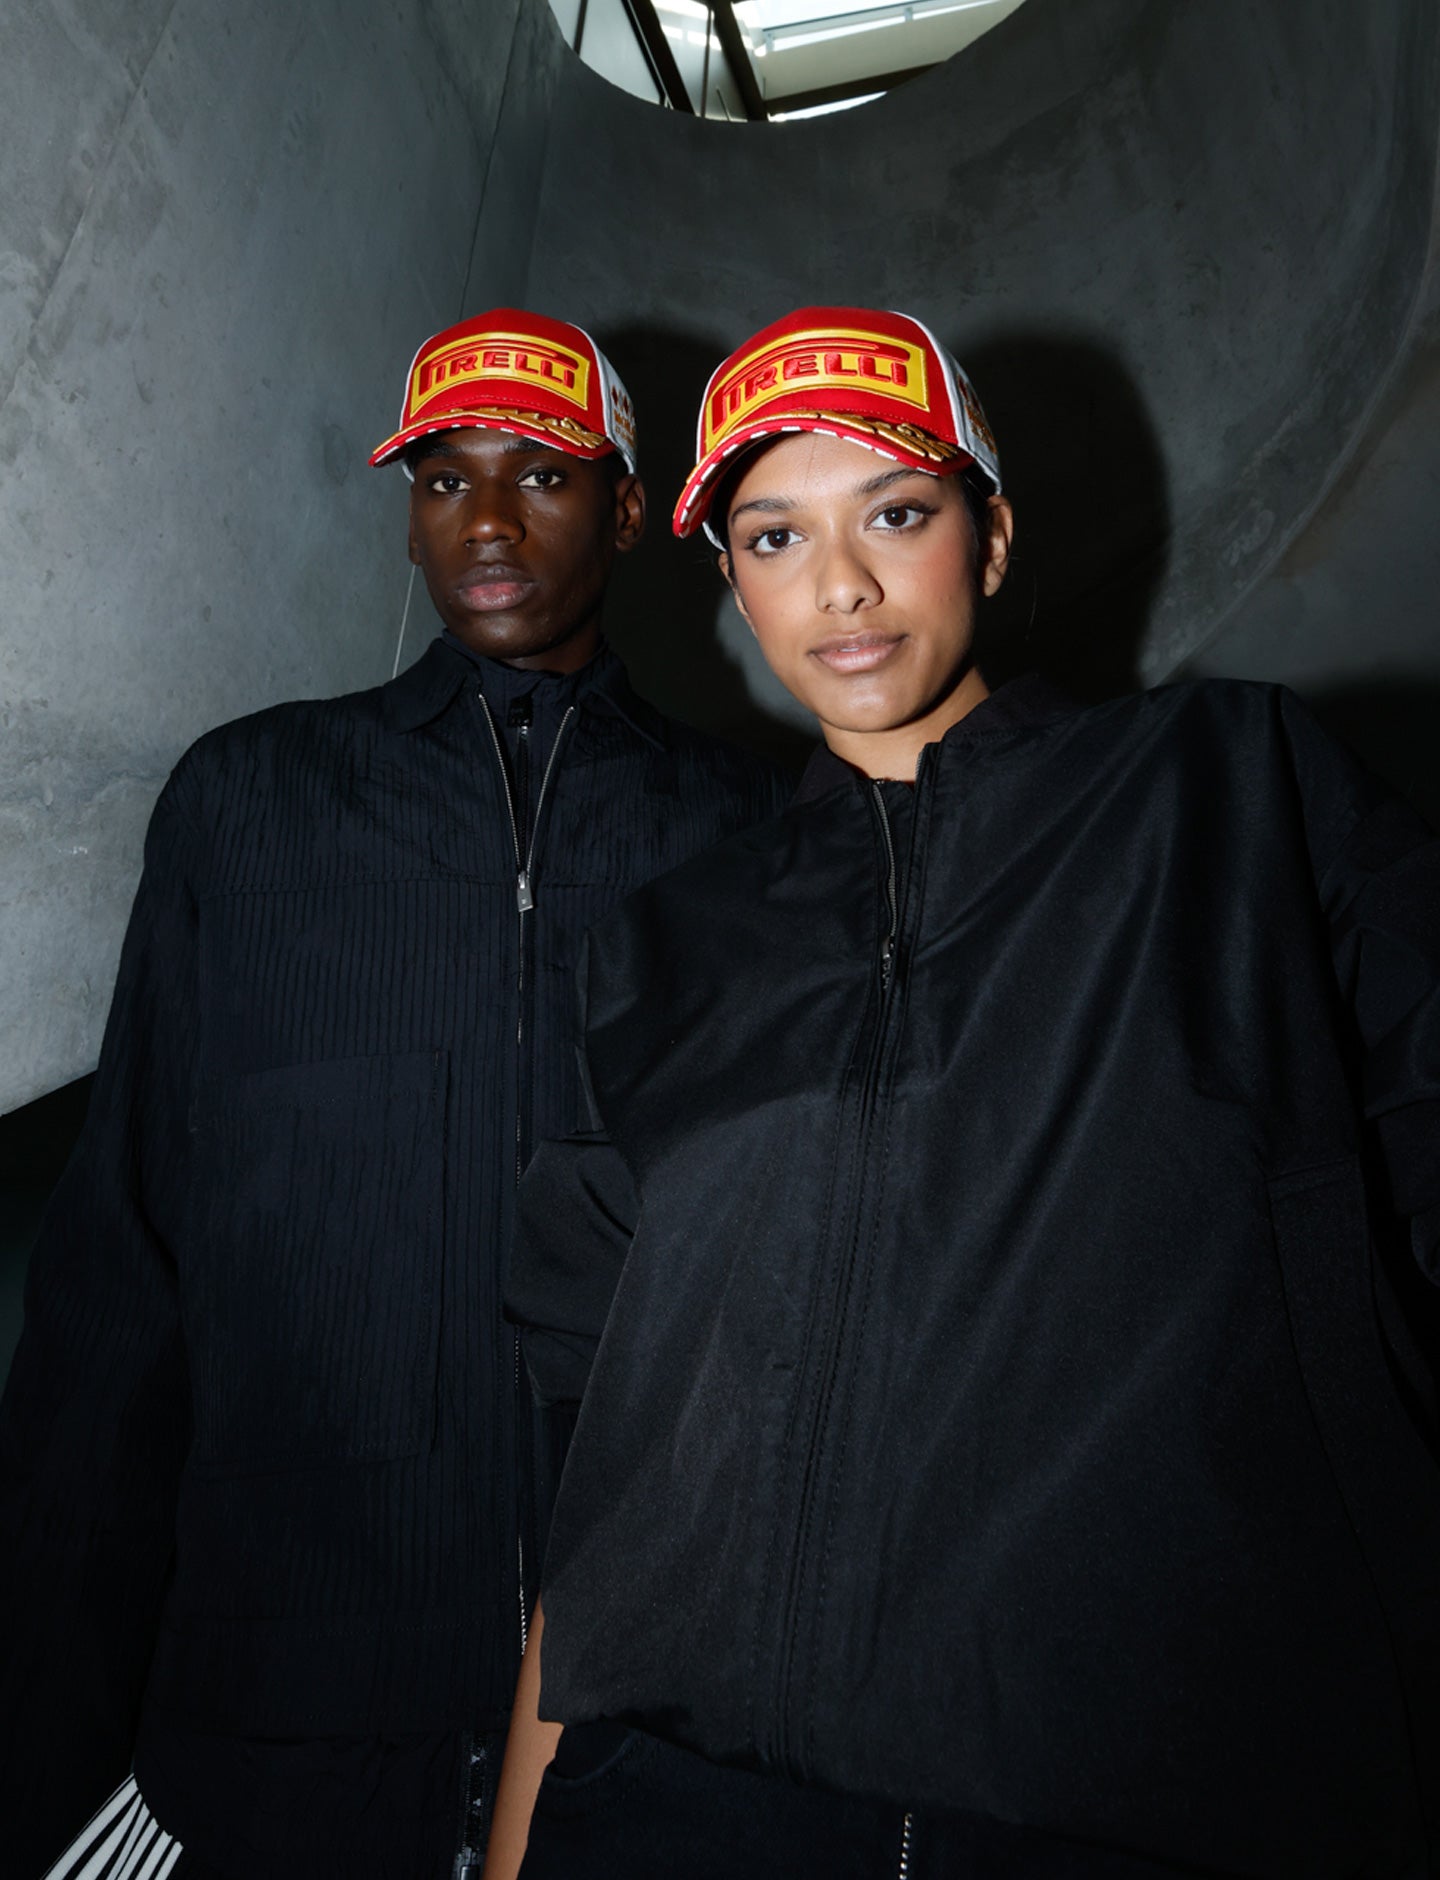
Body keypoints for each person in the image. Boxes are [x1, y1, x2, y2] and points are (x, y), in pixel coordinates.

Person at [488, 305, 1440, 1877]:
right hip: (674, 1815)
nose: (841, 585)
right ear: (729, 583)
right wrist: (521, 1842)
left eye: (899, 514)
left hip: (1145, 1805)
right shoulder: (663, 950)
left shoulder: (1231, 797)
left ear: (991, 541)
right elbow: (600, 1460)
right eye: (775, 533)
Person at [0, 307, 791, 1880]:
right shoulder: (250, 804)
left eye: (542, 476)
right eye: (443, 480)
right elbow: (115, 1299)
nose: (485, 522)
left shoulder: (762, 832)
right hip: (271, 1744)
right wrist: (47, 1758)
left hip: (662, 1757)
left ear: (630, 511)